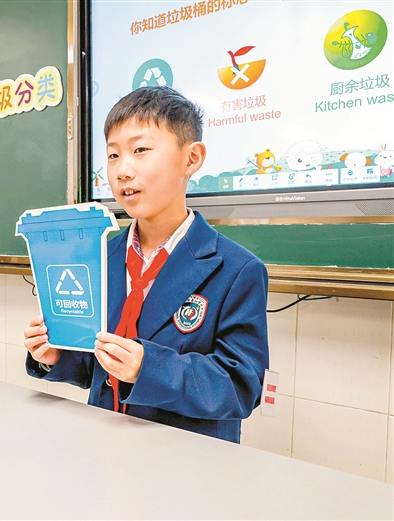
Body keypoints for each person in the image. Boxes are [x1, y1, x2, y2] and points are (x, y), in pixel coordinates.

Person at [23, 86, 268, 443]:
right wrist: (56, 354)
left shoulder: (236, 269)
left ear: (192, 158)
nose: (122, 170)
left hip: (185, 459)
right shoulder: (100, 256)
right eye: (113, 155)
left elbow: (241, 385)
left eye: (140, 150)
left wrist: (147, 367)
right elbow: (95, 365)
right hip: (104, 446)